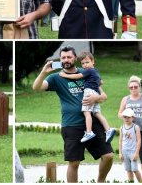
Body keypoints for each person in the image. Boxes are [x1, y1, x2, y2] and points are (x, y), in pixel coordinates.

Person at [32, 45, 113, 182]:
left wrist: (96, 98)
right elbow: (36, 88)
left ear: (75, 58)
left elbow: (104, 96)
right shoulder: (56, 78)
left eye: (69, 57)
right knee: (74, 163)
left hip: (92, 122)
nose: (66, 59)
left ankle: (100, 182)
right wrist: (43, 73)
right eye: (63, 57)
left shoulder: (87, 71)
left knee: (109, 156)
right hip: (71, 125)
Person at [59, 51, 116, 143]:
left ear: (93, 61)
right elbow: (101, 82)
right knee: (97, 113)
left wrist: (64, 75)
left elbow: (78, 76)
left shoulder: (88, 71)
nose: (85, 65)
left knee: (86, 112)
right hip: (96, 92)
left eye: (87, 62)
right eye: (83, 63)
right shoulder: (95, 71)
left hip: (89, 92)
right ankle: (108, 130)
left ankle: (89, 132)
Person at [118, 75, 142, 180]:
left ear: (139, 87)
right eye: (131, 87)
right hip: (130, 130)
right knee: (129, 154)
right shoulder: (125, 99)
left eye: (135, 87)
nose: (133, 89)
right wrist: (127, 114)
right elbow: (119, 114)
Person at [118, 108, 142, 183]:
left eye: (128, 117)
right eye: (125, 117)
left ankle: (141, 182)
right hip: (124, 151)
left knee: (135, 169)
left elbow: (139, 140)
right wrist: (120, 153)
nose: (126, 119)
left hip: (133, 152)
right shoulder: (122, 128)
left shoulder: (136, 127)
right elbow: (120, 141)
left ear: (133, 117)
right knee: (128, 170)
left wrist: (136, 153)